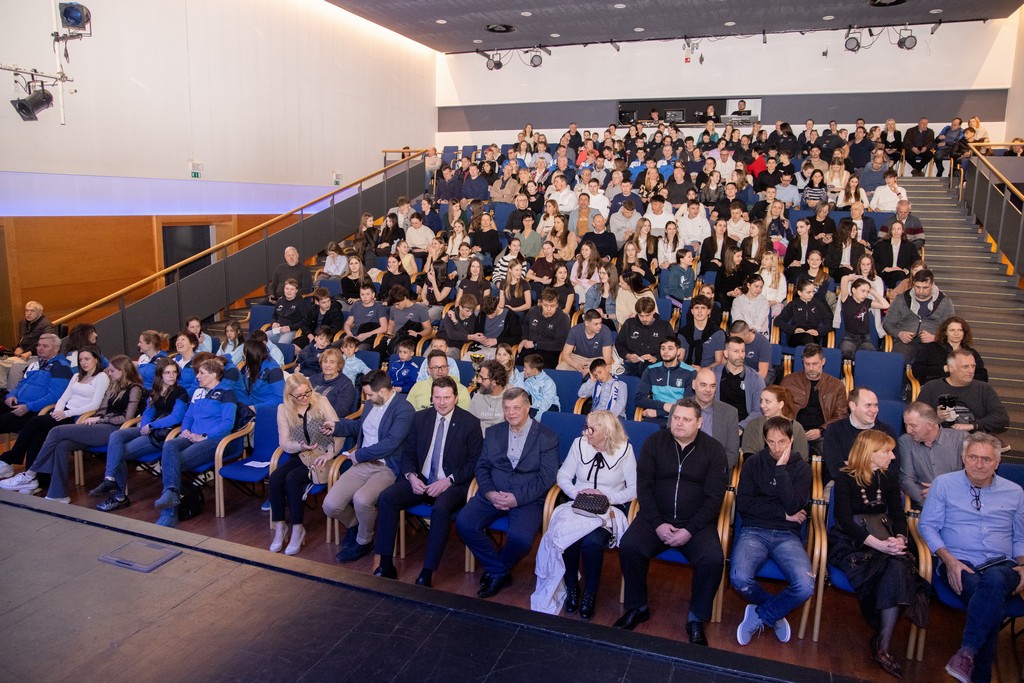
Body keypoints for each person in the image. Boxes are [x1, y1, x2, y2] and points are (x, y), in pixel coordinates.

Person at [614, 398, 728, 646]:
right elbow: (643, 488)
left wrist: (689, 530)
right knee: (630, 546)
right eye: (676, 417)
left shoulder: (714, 450)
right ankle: (637, 607)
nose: (679, 423)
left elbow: (714, 499)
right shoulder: (654, 442)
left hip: (695, 524)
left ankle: (696, 618)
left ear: (699, 422)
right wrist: (657, 523)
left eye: (686, 419)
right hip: (655, 519)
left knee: (712, 560)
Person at [918, 432, 1024, 683]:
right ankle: (978, 673)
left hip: (1003, 564)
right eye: (973, 457)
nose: (979, 464)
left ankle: (967, 652)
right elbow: (927, 526)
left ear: (997, 462)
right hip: (959, 561)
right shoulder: (944, 484)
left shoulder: (1015, 492)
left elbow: (1020, 536)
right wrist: (948, 560)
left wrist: (1023, 564)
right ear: (963, 457)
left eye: (986, 459)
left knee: (995, 580)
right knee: (990, 600)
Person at [827, 429, 929, 680]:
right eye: (887, 452)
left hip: (885, 537)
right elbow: (844, 521)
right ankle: (881, 642)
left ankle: (883, 644)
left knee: (896, 564)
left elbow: (898, 515)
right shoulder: (844, 479)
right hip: (853, 543)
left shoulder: (888, 478)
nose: (893, 456)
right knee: (896, 566)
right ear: (870, 454)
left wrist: (900, 538)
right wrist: (879, 545)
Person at [374, 376, 483, 587]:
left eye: (447, 397)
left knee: (440, 509)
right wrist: (411, 476)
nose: (442, 402)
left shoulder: (470, 423)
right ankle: (386, 564)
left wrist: (448, 481)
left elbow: (474, 462)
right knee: (387, 497)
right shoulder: (420, 418)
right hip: (421, 480)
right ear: (431, 398)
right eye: (437, 397)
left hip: (452, 484)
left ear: (456, 398)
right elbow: (408, 453)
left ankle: (427, 572)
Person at [456, 388, 559, 598]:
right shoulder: (494, 433)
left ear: (528, 407)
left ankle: (497, 569)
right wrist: (489, 492)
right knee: (464, 523)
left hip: (527, 498)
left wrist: (517, 498)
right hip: (493, 492)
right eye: (507, 408)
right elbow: (482, 467)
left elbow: (547, 477)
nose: (511, 413)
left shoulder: (547, 436)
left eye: (516, 408)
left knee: (521, 539)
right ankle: (499, 571)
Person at [532, 410, 636, 618]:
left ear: (606, 432)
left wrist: (606, 497)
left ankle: (590, 593)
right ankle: (572, 587)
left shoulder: (625, 450)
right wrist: (576, 493)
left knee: (592, 543)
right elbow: (563, 476)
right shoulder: (579, 444)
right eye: (586, 427)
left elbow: (634, 489)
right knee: (567, 538)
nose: (585, 433)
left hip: (608, 509)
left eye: (591, 429)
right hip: (577, 505)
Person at [8, 356, 143, 503]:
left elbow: (127, 418)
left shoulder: (135, 389)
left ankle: (30, 474)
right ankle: (58, 494)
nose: (109, 373)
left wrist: (99, 419)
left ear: (123, 371)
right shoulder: (113, 386)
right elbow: (102, 409)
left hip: (116, 430)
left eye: (112, 371)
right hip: (99, 426)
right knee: (61, 445)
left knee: (56, 431)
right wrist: (95, 418)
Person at [731, 416, 814, 646]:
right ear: (765, 440)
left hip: (787, 536)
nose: (776, 448)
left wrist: (780, 470)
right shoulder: (753, 464)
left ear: (792, 440)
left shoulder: (802, 468)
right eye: (771, 442)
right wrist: (783, 515)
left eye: (782, 442)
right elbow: (744, 505)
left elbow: (794, 506)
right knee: (739, 578)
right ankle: (775, 611)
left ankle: (763, 614)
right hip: (754, 530)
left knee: (805, 586)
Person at [322, 370, 415, 562]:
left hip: (387, 467)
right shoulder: (372, 403)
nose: (367, 399)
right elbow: (362, 427)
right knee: (330, 505)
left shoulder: (404, 409)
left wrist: (359, 454)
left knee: (362, 500)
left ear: (383, 391)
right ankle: (357, 525)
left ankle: (364, 541)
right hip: (363, 464)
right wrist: (337, 426)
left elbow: (391, 443)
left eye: (370, 395)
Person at [89, 359, 189, 510]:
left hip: (163, 433)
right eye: (167, 373)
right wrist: (144, 427)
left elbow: (176, 417)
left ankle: (119, 497)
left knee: (119, 453)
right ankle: (109, 479)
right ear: (160, 375)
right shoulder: (155, 391)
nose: (172, 376)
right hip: (149, 429)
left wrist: (151, 426)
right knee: (117, 435)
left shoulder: (180, 392)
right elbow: (148, 413)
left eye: (174, 372)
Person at [151, 358, 238, 527]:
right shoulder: (199, 392)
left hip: (214, 440)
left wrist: (204, 436)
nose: (197, 376)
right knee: (169, 445)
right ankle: (171, 494)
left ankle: (170, 512)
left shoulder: (227, 393)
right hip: (192, 436)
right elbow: (188, 416)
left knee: (174, 461)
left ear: (213, 375)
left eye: (201, 373)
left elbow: (227, 424)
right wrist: (185, 430)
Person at [0, 345, 107, 481]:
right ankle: (35, 478)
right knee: (39, 434)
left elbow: (95, 405)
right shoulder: (76, 376)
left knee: (34, 422)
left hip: (79, 416)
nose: (83, 363)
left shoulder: (101, 377)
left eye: (87, 359)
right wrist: (58, 411)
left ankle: (14, 457)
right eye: (81, 360)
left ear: (96, 359)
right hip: (64, 412)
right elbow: (63, 398)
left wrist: (66, 414)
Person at [269, 374, 341, 555]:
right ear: (290, 396)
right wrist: (299, 446)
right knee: (276, 478)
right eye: (299, 396)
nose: (305, 398)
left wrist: (329, 454)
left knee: (292, 479)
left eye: (307, 392)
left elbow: (339, 432)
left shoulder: (321, 402)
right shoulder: (283, 409)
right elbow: (284, 443)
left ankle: (297, 527)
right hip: (300, 454)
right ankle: (280, 526)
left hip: (323, 456)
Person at [0, 334, 72, 478]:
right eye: (39, 345)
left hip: (36, 410)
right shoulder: (35, 364)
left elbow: (55, 396)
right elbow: (20, 385)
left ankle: (6, 462)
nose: (40, 348)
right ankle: (7, 463)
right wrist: (11, 396)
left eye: (45, 346)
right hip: (18, 403)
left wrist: (28, 406)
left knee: (4, 421)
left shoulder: (61, 366)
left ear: (56, 349)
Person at [917, 349, 1010, 446]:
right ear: (951, 368)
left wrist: (972, 425)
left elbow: (1002, 419)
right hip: (940, 443)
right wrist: (937, 418)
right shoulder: (931, 387)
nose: (971, 371)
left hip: (975, 444)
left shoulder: (984, 388)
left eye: (973, 366)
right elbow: (917, 421)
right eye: (965, 367)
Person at [822, 387, 901, 483]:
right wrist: (874, 464)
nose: (874, 410)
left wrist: (851, 464)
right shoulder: (834, 430)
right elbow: (835, 468)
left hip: (880, 484)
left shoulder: (886, 431)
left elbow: (894, 467)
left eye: (876, 405)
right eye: (868, 405)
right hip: (842, 484)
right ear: (853, 406)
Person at [780, 344, 848, 454]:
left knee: (833, 452)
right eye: (807, 364)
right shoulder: (789, 381)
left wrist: (821, 430)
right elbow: (780, 410)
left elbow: (841, 415)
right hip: (794, 432)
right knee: (793, 453)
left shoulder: (836, 385)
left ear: (823, 361)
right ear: (803, 362)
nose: (811, 368)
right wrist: (793, 430)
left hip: (822, 433)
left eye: (815, 364)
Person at [898, 401, 966, 509]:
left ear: (929, 425)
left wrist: (945, 491)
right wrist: (930, 504)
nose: (908, 430)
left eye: (913, 426)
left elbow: (974, 476)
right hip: (925, 504)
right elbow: (906, 480)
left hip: (958, 503)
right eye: (906, 425)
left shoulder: (961, 439)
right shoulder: (905, 441)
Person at [882, 269, 955, 362]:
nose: (921, 291)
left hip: (934, 343)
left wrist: (936, 337)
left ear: (932, 284)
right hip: (905, 343)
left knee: (936, 360)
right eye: (917, 287)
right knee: (896, 359)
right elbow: (887, 323)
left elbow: (952, 327)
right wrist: (899, 333)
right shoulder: (901, 299)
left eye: (925, 288)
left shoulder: (944, 301)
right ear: (913, 283)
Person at [912, 316, 988, 385]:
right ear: (945, 332)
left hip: (965, 388)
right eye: (952, 330)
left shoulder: (971, 353)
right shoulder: (930, 348)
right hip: (936, 387)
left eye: (960, 330)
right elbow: (917, 370)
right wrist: (944, 368)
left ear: (964, 333)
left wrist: (965, 376)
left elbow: (983, 376)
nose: (956, 333)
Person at [741, 385, 810, 459]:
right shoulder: (754, 425)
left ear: (780, 404)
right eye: (761, 401)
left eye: (767, 401)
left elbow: (802, 458)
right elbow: (749, 455)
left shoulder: (796, 427)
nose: (762, 405)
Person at [712, 337, 766, 432]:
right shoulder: (714, 374)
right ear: (726, 353)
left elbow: (759, 410)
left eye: (743, 351)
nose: (741, 355)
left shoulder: (755, 378)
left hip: (745, 427)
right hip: (717, 424)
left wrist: (741, 427)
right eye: (736, 351)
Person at [691, 367, 741, 468]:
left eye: (712, 386)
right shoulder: (680, 408)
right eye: (703, 385)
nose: (708, 390)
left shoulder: (730, 413)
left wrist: (714, 471)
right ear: (694, 384)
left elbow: (732, 453)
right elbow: (671, 445)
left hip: (716, 470)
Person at [0, 301, 55, 390]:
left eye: (32, 311)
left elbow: (47, 343)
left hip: (39, 356)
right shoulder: (23, 322)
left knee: (16, 365)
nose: (28, 313)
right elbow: (23, 339)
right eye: (27, 310)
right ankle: (2, 389)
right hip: (23, 355)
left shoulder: (46, 325)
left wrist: (30, 352)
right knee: (1, 364)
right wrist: (18, 347)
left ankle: (12, 391)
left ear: (40, 313)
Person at [615, 297, 675, 377]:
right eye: (641, 316)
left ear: (653, 311)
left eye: (647, 315)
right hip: (631, 364)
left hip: (655, 365)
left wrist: (656, 358)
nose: (644, 319)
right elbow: (619, 344)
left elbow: (672, 348)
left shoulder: (664, 326)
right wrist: (628, 356)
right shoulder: (629, 324)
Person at [837, 277, 889, 360]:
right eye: (863, 291)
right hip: (849, 338)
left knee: (871, 356)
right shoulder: (846, 300)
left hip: (865, 339)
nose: (865, 294)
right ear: (854, 290)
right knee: (846, 353)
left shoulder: (867, 302)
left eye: (867, 292)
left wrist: (873, 292)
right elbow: (844, 279)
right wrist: (852, 277)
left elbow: (886, 305)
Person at [519, 288, 571, 370]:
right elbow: (526, 326)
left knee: (540, 370)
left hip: (550, 351)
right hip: (530, 348)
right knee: (519, 367)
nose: (549, 309)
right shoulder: (533, 311)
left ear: (557, 305)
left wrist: (536, 344)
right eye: (546, 305)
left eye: (552, 306)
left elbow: (560, 344)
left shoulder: (563, 318)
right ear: (540, 303)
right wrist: (524, 339)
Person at [557, 310, 614, 375]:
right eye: (596, 324)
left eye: (600, 323)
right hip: (578, 358)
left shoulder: (605, 330)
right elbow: (565, 354)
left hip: (598, 360)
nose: (600, 326)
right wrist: (576, 366)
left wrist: (590, 369)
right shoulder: (575, 330)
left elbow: (607, 360)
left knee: (606, 371)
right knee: (560, 369)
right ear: (586, 323)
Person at [776, 281, 831, 348]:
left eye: (813, 292)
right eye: (808, 292)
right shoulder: (793, 305)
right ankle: (813, 352)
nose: (812, 295)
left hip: (813, 336)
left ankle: (811, 351)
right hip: (795, 336)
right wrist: (793, 329)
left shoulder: (819, 305)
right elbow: (778, 321)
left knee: (808, 337)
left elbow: (829, 323)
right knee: (806, 337)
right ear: (800, 293)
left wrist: (818, 331)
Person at [679, 295, 726, 369]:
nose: (699, 311)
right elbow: (680, 359)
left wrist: (702, 370)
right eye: (696, 307)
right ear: (692, 311)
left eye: (703, 308)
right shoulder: (684, 333)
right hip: (687, 370)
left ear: (708, 311)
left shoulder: (718, 333)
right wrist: (690, 369)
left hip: (709, 371)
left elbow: (718, 362)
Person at [309, 347, 357, 418]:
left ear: (339, 366)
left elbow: (339, 412)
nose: (327, 365)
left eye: (332, 362)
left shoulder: (346, 385)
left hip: (327, 420)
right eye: (325, 361)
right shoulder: (313, 378)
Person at [469, 360, 508, 433]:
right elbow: (469, 424)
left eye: (482, 378)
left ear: (495, 381)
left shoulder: (511, 397)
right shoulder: (477, 397)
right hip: (479, 437)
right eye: (479, 376)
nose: (479, 381)